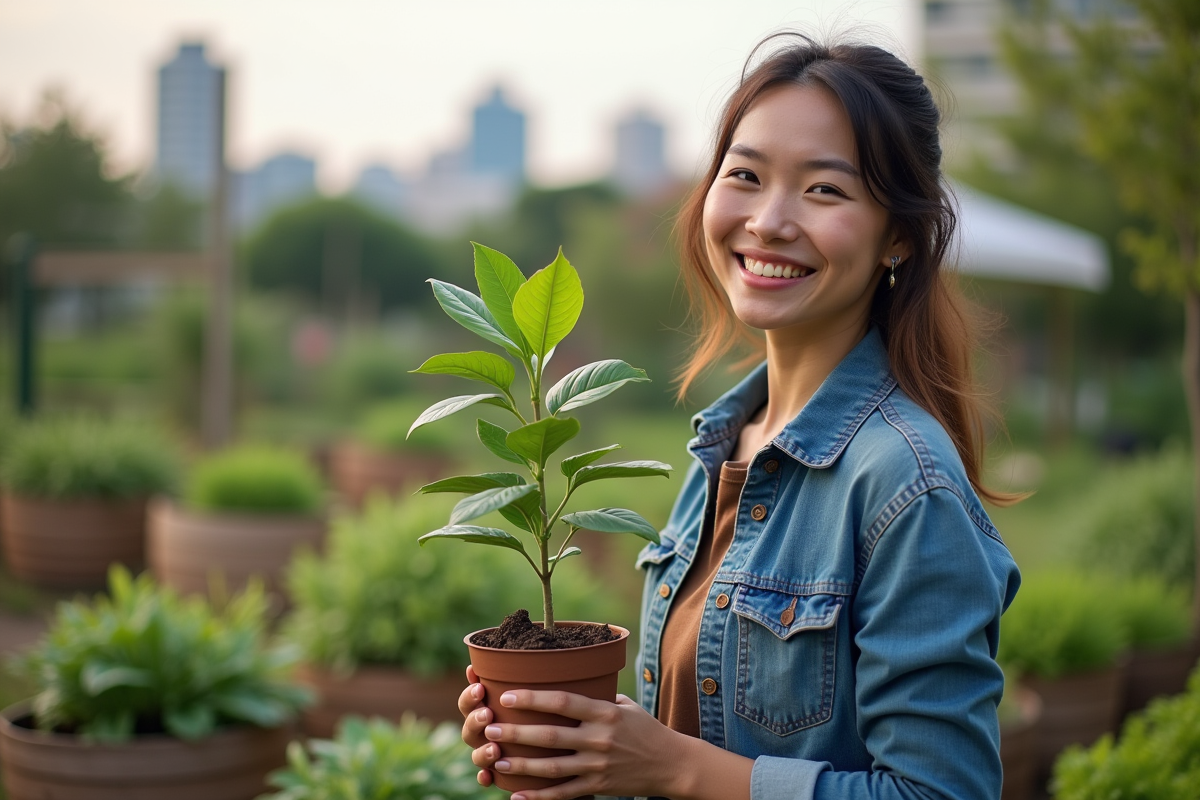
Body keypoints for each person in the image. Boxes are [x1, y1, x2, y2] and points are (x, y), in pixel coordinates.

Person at [458, 33, 1021, 800]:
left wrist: (670, 766)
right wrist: (579, 737)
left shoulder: (903, 484)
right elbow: (703, 726)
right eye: (746, 176)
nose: (768, 221)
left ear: (896, 235)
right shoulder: (727, 447)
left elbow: (941, 791)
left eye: (824, 190)